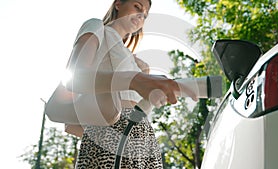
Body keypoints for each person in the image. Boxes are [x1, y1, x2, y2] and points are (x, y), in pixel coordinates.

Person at [63, 0, 196, 168]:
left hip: (143, 134)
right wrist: (104, 133)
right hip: (111, 128)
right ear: (118, 4)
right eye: (137, 7)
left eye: (145, 15)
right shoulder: (98, 28)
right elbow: (76, 78)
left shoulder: (136, 61)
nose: (141, 15)